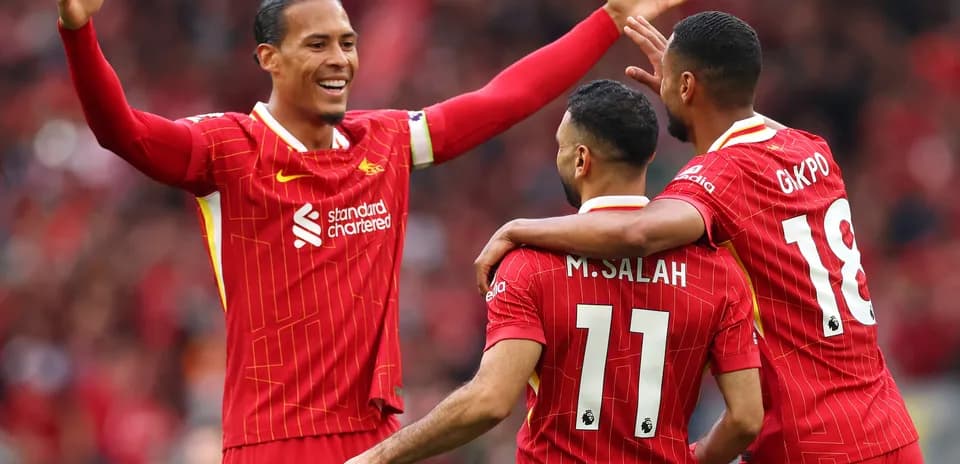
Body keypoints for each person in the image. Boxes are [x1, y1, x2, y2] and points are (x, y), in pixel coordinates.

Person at [55, 0, 687, 462]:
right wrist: (79, 31)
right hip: (274, 440)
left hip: (380, 440)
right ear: (269, 59)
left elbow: (504, 99)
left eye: (348, 42)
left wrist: (608, 19)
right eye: (318, 44)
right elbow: (124, 132)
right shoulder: (228, 149)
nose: (340, 60)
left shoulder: (384, 140)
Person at [474, 12, 923, 464]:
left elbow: (636, 231)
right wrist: (689, 95)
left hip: (810, 440)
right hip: (890, 428)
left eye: (670, 80)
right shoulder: (811, 148)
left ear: (687, 86)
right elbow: (740, 119)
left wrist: (518, 229)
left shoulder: (715, 180)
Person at [346, 80, 763, 464]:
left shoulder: (531, 264)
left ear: (581, 159)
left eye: (560, 145)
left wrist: (379, 457)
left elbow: (490, 400)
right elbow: (745, 418)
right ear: (649, 155)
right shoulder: (717, 270)